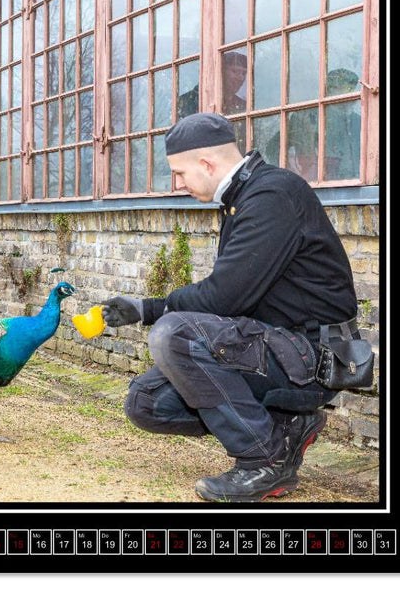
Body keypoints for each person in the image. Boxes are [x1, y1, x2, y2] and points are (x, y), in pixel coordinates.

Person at [101, 112, 359, 502]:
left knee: (175, 333)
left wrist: (150, 308)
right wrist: (147, 308)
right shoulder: (242, 198)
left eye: (180, 173)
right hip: (277, 350)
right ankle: (289, 426)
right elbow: (233, 303)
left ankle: (264, 460)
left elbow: (223, 298)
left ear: (206, 163)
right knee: (147, 403)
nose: (178, 183)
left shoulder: (272, 196)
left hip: (311, 358)